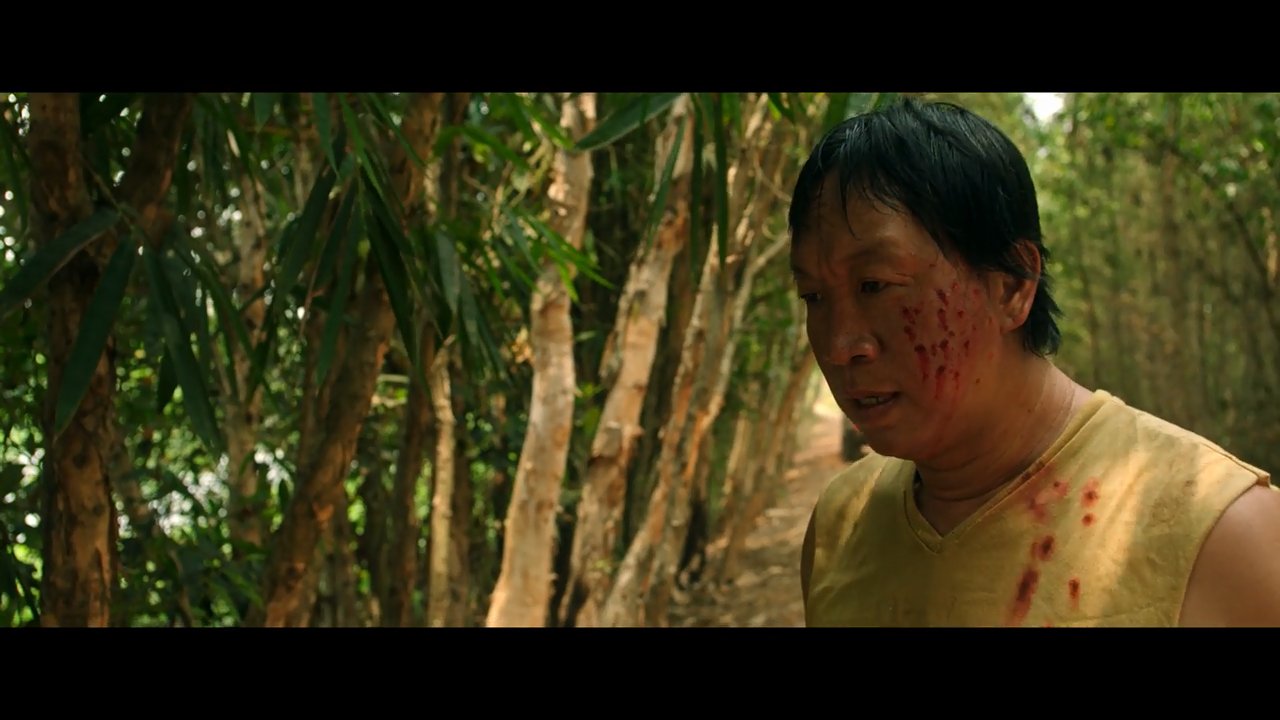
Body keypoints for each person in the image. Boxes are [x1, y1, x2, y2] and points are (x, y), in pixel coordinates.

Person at [791, 97, 1280, 627]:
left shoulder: (1221, 536)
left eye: (875, 285)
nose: (839, 345)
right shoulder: (840, 523)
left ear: (1011, 286)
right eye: (814, 296)